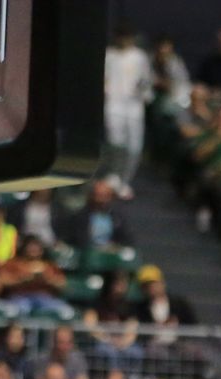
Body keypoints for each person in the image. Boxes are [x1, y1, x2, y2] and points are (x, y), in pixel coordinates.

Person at [103, 25, 150, 200]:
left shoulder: (139, 56)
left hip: (134, 106)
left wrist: (142, 91)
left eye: (127, 36)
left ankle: (125, 180)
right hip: (113, 104)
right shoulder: (109, 55)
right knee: (116, 141)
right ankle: (114, 174)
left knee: (134, 146)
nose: (124, 40)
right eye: (121, 36)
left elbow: (146, 79)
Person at [67, 181, 133, 250]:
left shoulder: (117, 217)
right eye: (98, 196)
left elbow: (126, 238)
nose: (101, 200)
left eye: (105, 196)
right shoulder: (80, 217)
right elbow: (77, 239)